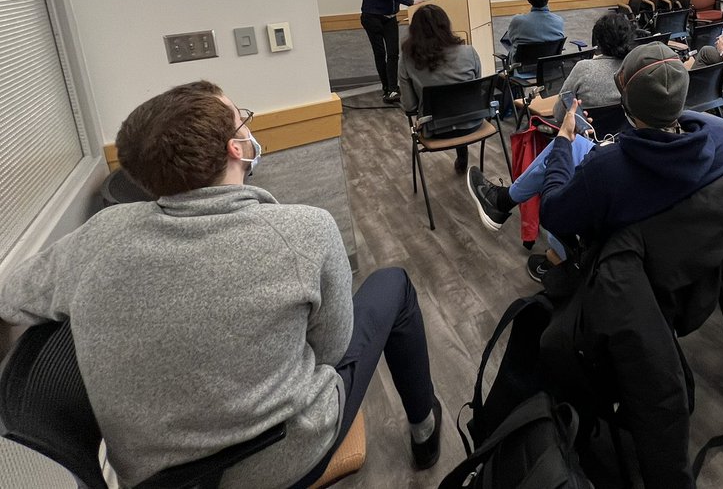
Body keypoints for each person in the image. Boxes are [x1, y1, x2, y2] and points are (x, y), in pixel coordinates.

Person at [0, 81, 440, 489]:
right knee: (393, 284)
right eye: (241, 120)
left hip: (158, 481)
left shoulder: (100, 235)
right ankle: (425, 428)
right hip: (288, 460)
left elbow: (12, 297)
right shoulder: (306, 231)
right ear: (237, 148)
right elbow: (331, 351)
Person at [467, 43, 723, 275]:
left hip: (622, 263)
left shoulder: (605, 168)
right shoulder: (720, 145)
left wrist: (562, 141)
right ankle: (503, 200)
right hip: (683, 258)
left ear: (628, 100)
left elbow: (553, 213)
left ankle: (512, 210)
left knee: (569, 148)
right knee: (582, 144)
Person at [399, 3, 483, 174]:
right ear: (446, 25)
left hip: (434, 130)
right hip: (472, 123)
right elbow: (476, 89)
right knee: (458, 104)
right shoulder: (469, 52)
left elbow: (410, 106)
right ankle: (462, 153)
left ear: (414, 31)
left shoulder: (407, 59)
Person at [550, 12, 634, 121]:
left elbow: (559, 114)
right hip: (625, 135)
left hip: (588, 135)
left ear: (598, 41)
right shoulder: (636, 67)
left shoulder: (584, 69)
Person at [501, 0, 565, 52]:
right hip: (549, 63)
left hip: (523, 63)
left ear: (528, 0)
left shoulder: (517, 21)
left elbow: (511, 41)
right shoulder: (558, 21)